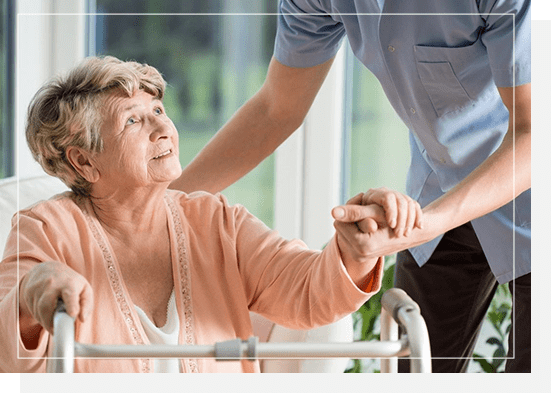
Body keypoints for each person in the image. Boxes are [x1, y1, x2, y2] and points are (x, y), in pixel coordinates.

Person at [171, 1, 531, 372]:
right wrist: (160, 201)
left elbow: (534, 132)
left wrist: (426, 224)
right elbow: (276, 108)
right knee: (414, 367)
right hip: (438, 188)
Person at [0, 55, 421, 373]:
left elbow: (307, 290)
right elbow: (7, 351)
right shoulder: (43, 230)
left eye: (159, 111)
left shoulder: (215, 220)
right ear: (84, 162)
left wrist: (354, 251)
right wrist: (28, 295)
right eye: (132, 121)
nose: (162, 129)